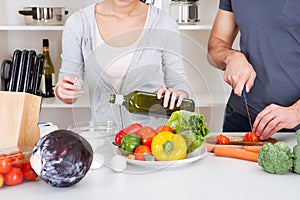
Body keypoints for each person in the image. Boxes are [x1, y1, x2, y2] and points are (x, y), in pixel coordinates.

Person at [55, 0, 191, 129]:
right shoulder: (79, 23)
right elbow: (69, 85)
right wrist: (63, 91)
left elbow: (179, 83)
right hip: (102, 139)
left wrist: (177, 94)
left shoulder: (163, 23)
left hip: (151, 141)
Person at [207, 0, 300, 140]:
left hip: (295, 123)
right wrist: (231, 56)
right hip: (242, 118)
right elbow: (215, 45)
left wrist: (296, 112)